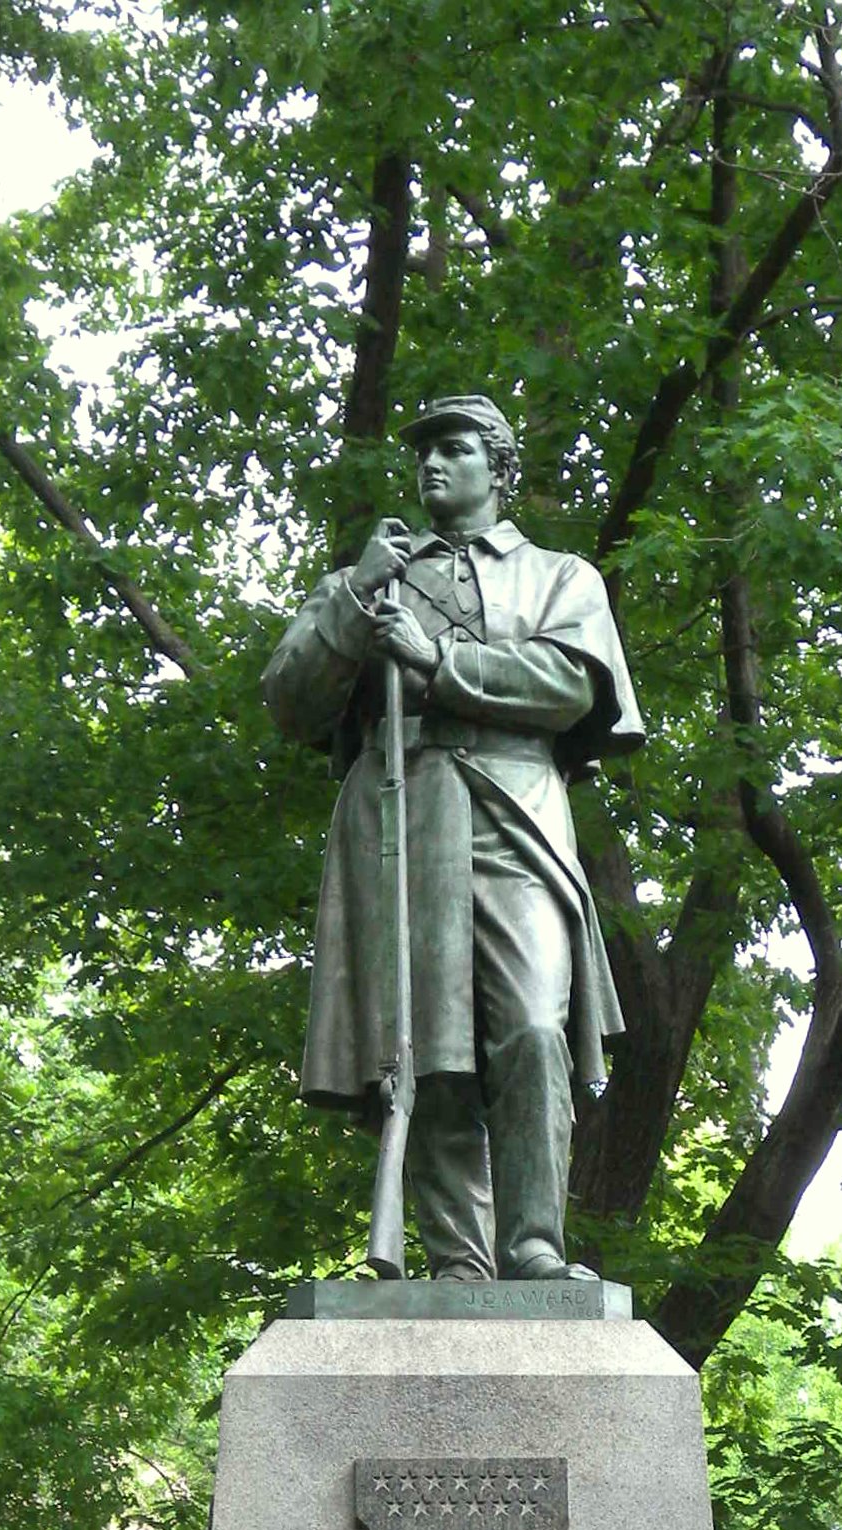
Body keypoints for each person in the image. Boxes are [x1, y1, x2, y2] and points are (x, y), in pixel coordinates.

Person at [262, 395, 643, 1280]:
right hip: (403, 808)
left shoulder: (559, 577)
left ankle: (537, 1244)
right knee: (424, 1049)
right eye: (424, 451)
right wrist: (356, 603)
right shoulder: (367, 578)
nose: (433, 464)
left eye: (455, 449)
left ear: (499, 469)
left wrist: (441, 663)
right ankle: (459, 1266)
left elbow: (570, 686)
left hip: (516, 809)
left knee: (533, 1028)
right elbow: (290, 702)